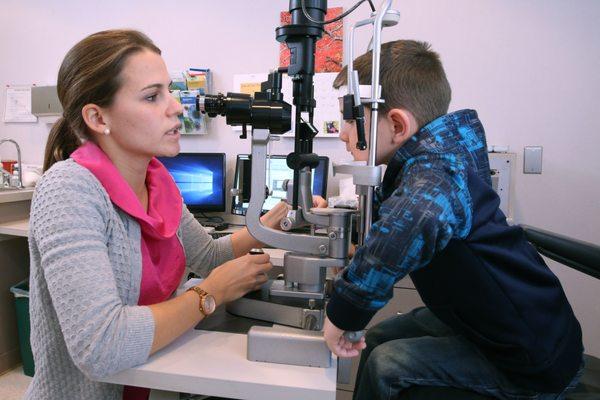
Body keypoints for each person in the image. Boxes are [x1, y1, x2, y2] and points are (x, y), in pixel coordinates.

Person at [26, 29, 289, 400]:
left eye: (169, 90)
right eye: (152, 96)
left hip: (157, 382)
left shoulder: (156, 179)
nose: (177, 106)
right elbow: (101, 346)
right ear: (98, 118)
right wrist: (209, 293)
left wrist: (280, 220)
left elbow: (209, 255)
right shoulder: (69, 189)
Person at [323, 40, 584, 400]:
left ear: (398, 124)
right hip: (496, 320)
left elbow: (405, 231)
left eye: (352, 117)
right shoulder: (435, 154)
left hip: (532, 360)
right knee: (379, 338)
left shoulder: (438, 173)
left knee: (387, 364)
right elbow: (390, 218)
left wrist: (342, 314)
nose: (342, 131)